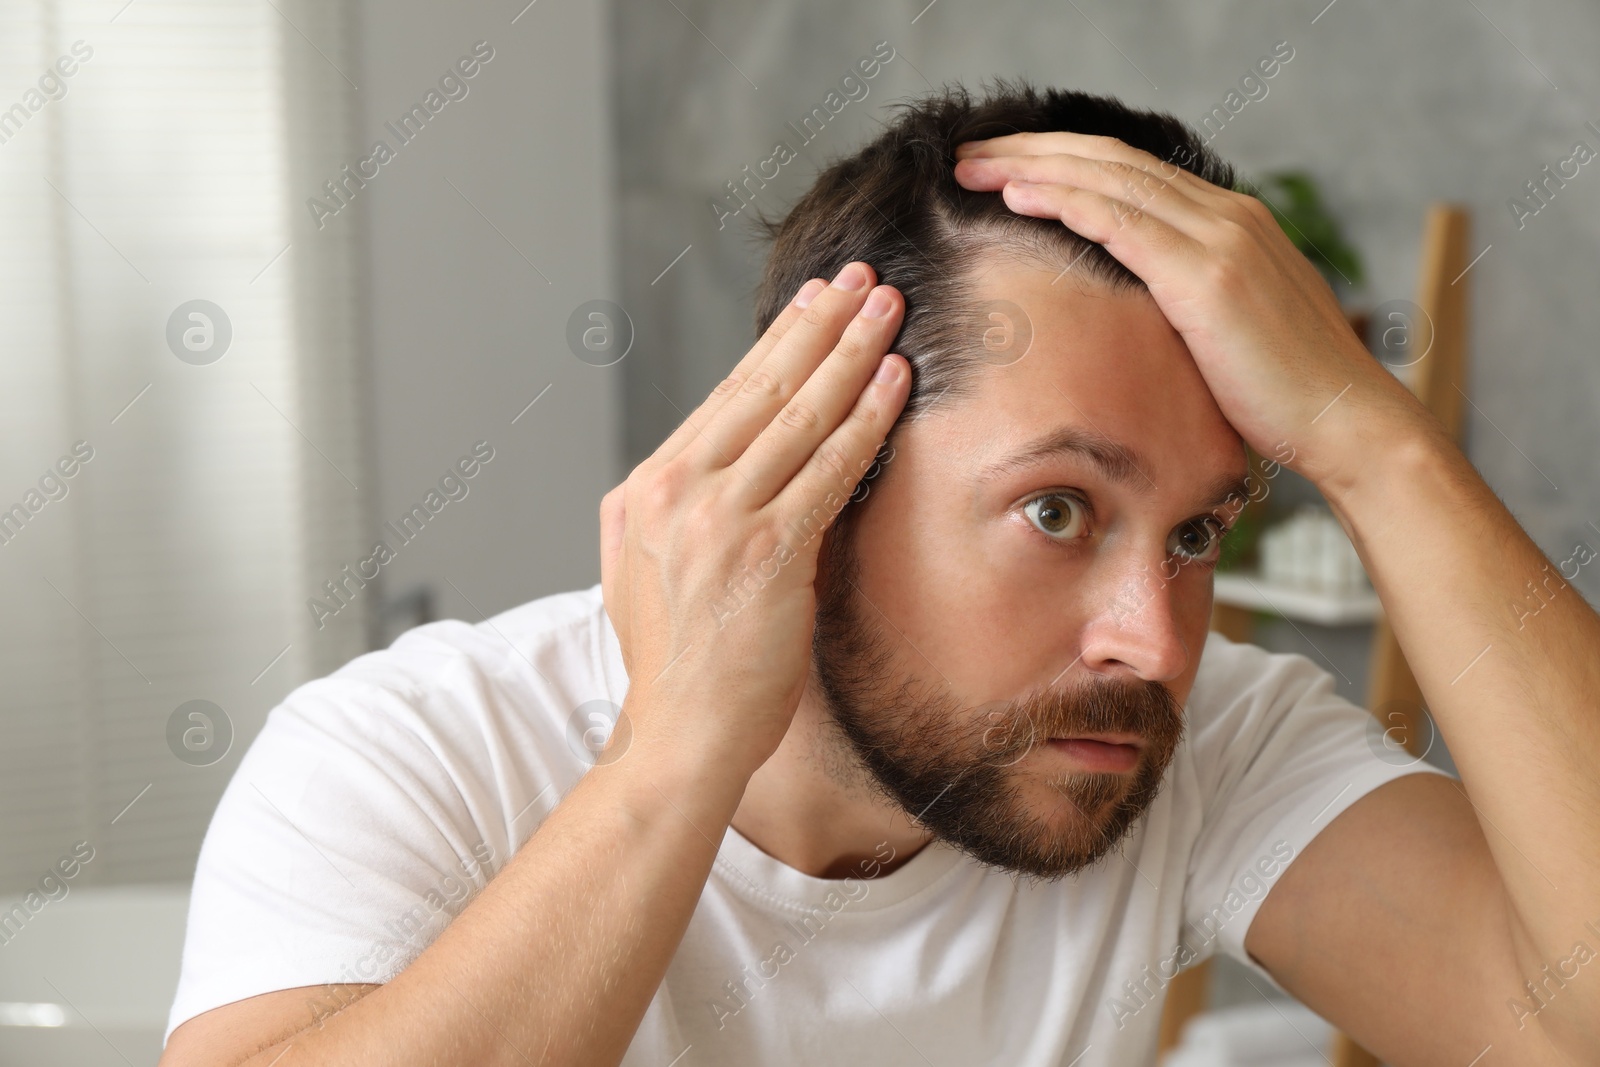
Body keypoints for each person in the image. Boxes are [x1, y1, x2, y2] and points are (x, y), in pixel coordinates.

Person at [159, 81, 1600, 1066]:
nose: (1153, 641)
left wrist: (1375, 444)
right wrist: (678, 759)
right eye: (1056, 509)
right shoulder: (409, 752)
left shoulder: (1200, 741)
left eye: (1198, 532)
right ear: (818, 489)